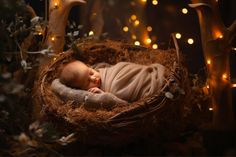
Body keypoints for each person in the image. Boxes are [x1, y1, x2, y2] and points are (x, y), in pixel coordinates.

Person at [59, 60, 166, 102]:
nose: (94, 78)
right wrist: (102, 94)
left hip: (130, 75)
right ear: (81, 89)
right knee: (118, 89)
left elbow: (116, 67)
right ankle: (148, 87)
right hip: (117, 86)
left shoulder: (102, 70)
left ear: (90, 67)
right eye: (87, 82)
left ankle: (149, 79)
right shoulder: (91, 95)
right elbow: (113, 101)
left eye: (91, 73)